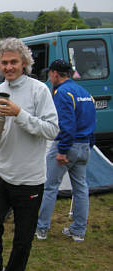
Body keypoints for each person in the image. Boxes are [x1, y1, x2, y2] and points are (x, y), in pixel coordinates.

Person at [0, 38, 59, 271]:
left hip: (29, 178)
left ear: (24, 64)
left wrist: (19, 113)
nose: (9, 67)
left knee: (22, 236)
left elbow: (52, 130)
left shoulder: (38, 91)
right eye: (4, 62)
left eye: (14, 62)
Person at [36, 59, 96, 242]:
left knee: (50, 187)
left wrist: (62, 150)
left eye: (50, 75)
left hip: (67, 146)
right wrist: (89, 145)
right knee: (80, 188)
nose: (49, 78)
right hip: (84, 146)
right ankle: (78, 231)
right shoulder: (84, 92)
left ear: (55, 74)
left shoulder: (62, 93)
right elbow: (93, 121)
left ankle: (41, 228)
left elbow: (66, 125)